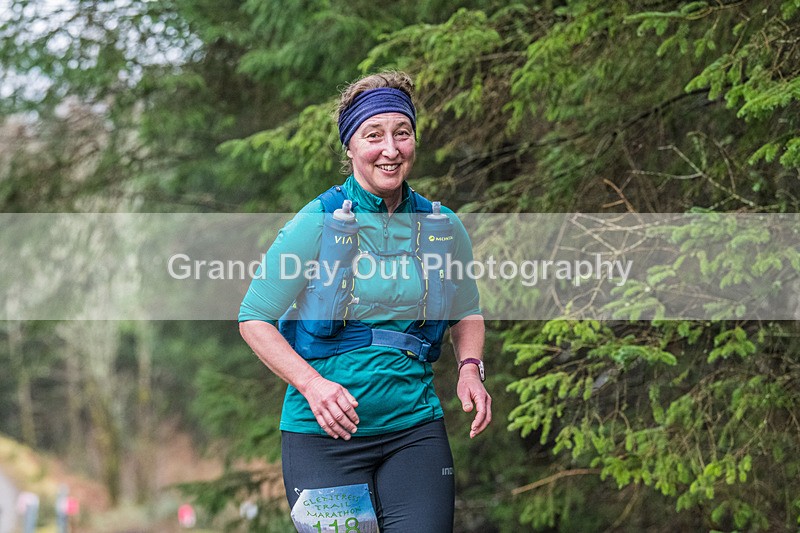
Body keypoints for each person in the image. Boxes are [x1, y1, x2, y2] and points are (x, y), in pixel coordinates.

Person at [238, 71, 491, 532]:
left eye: (403, 133)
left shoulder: (443, 226)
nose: (390, 149)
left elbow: (466, 310)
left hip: (414, 431)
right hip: (323, 439)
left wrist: (470, 368)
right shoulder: (316, 221)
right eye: (373, 135)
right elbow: (253, 317)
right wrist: (314, 386)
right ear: (350, 147)